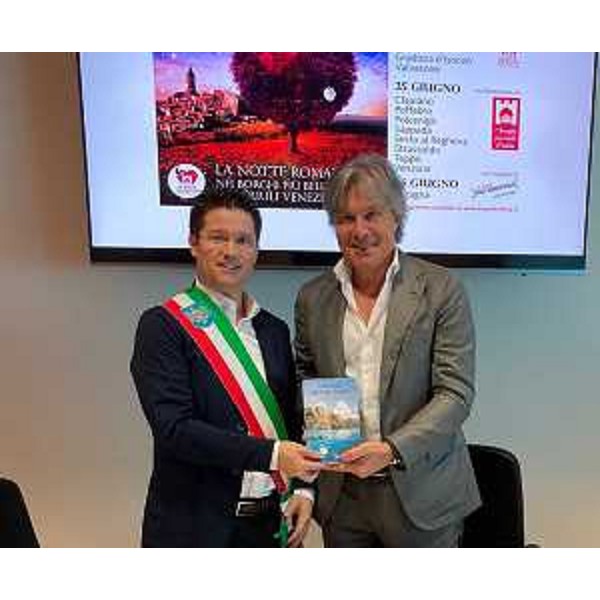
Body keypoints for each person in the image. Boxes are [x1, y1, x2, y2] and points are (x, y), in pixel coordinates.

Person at [294, 154, 481, 547]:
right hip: (343, 498)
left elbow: (455, 394)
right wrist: (315, 467)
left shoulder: (441, 289)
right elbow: (308, 380)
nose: (359, 230)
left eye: (371, 214)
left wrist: (392, 450)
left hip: (421, 493)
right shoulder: (313, 297)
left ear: (396, 217)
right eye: (346, 218)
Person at [131, 187, 320, 547]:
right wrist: (273, 455)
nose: (231, 251)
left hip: (269, 523)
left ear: (256, 250)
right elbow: (174, 429)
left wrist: (304, 489)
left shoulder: (274, 329)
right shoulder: (163, 325)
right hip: (193, 529)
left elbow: (294, 419)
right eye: (218, 238)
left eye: (243, 240)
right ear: (193, 243)